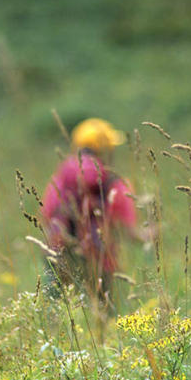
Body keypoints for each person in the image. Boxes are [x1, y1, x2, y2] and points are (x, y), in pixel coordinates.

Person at [41, 117, 149, 313]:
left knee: (58, 314)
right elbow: (130, 232)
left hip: (58, 254)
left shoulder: (59, 181)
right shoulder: (114, 184)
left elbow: (46, 216)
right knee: (103, 314)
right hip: (98, 261)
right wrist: (150, 234)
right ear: (106, 150)